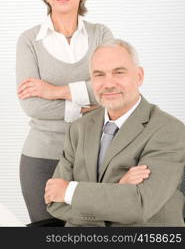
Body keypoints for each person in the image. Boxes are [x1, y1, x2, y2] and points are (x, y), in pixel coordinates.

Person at [45, 39, 185, 227]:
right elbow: (55, 202)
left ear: (139, 76)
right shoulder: (79, 128)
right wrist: (118, 190)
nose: (108, 84)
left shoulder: (169, 131)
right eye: (99, 75)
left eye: (119, 72)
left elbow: (139, 206)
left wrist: (70, 191)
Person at [16, 0, 113, 223]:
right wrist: (88, 105)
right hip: (42, 158)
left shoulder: (101, 34)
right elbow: (32, 104)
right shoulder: (29, 41)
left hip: (97, 156)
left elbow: (113, 89)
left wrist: (54, 91)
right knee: (46, 235)